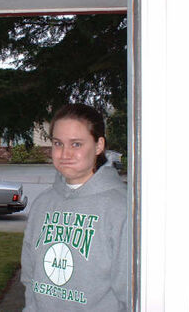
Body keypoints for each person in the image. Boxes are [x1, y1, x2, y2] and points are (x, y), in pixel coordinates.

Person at [21, 103, 127, 311]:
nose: (64, 154)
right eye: (58, 143)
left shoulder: (120, 207)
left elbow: (129, 291)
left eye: (76, 144)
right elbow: (30, 277)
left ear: (99, 145)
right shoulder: (42, 203)